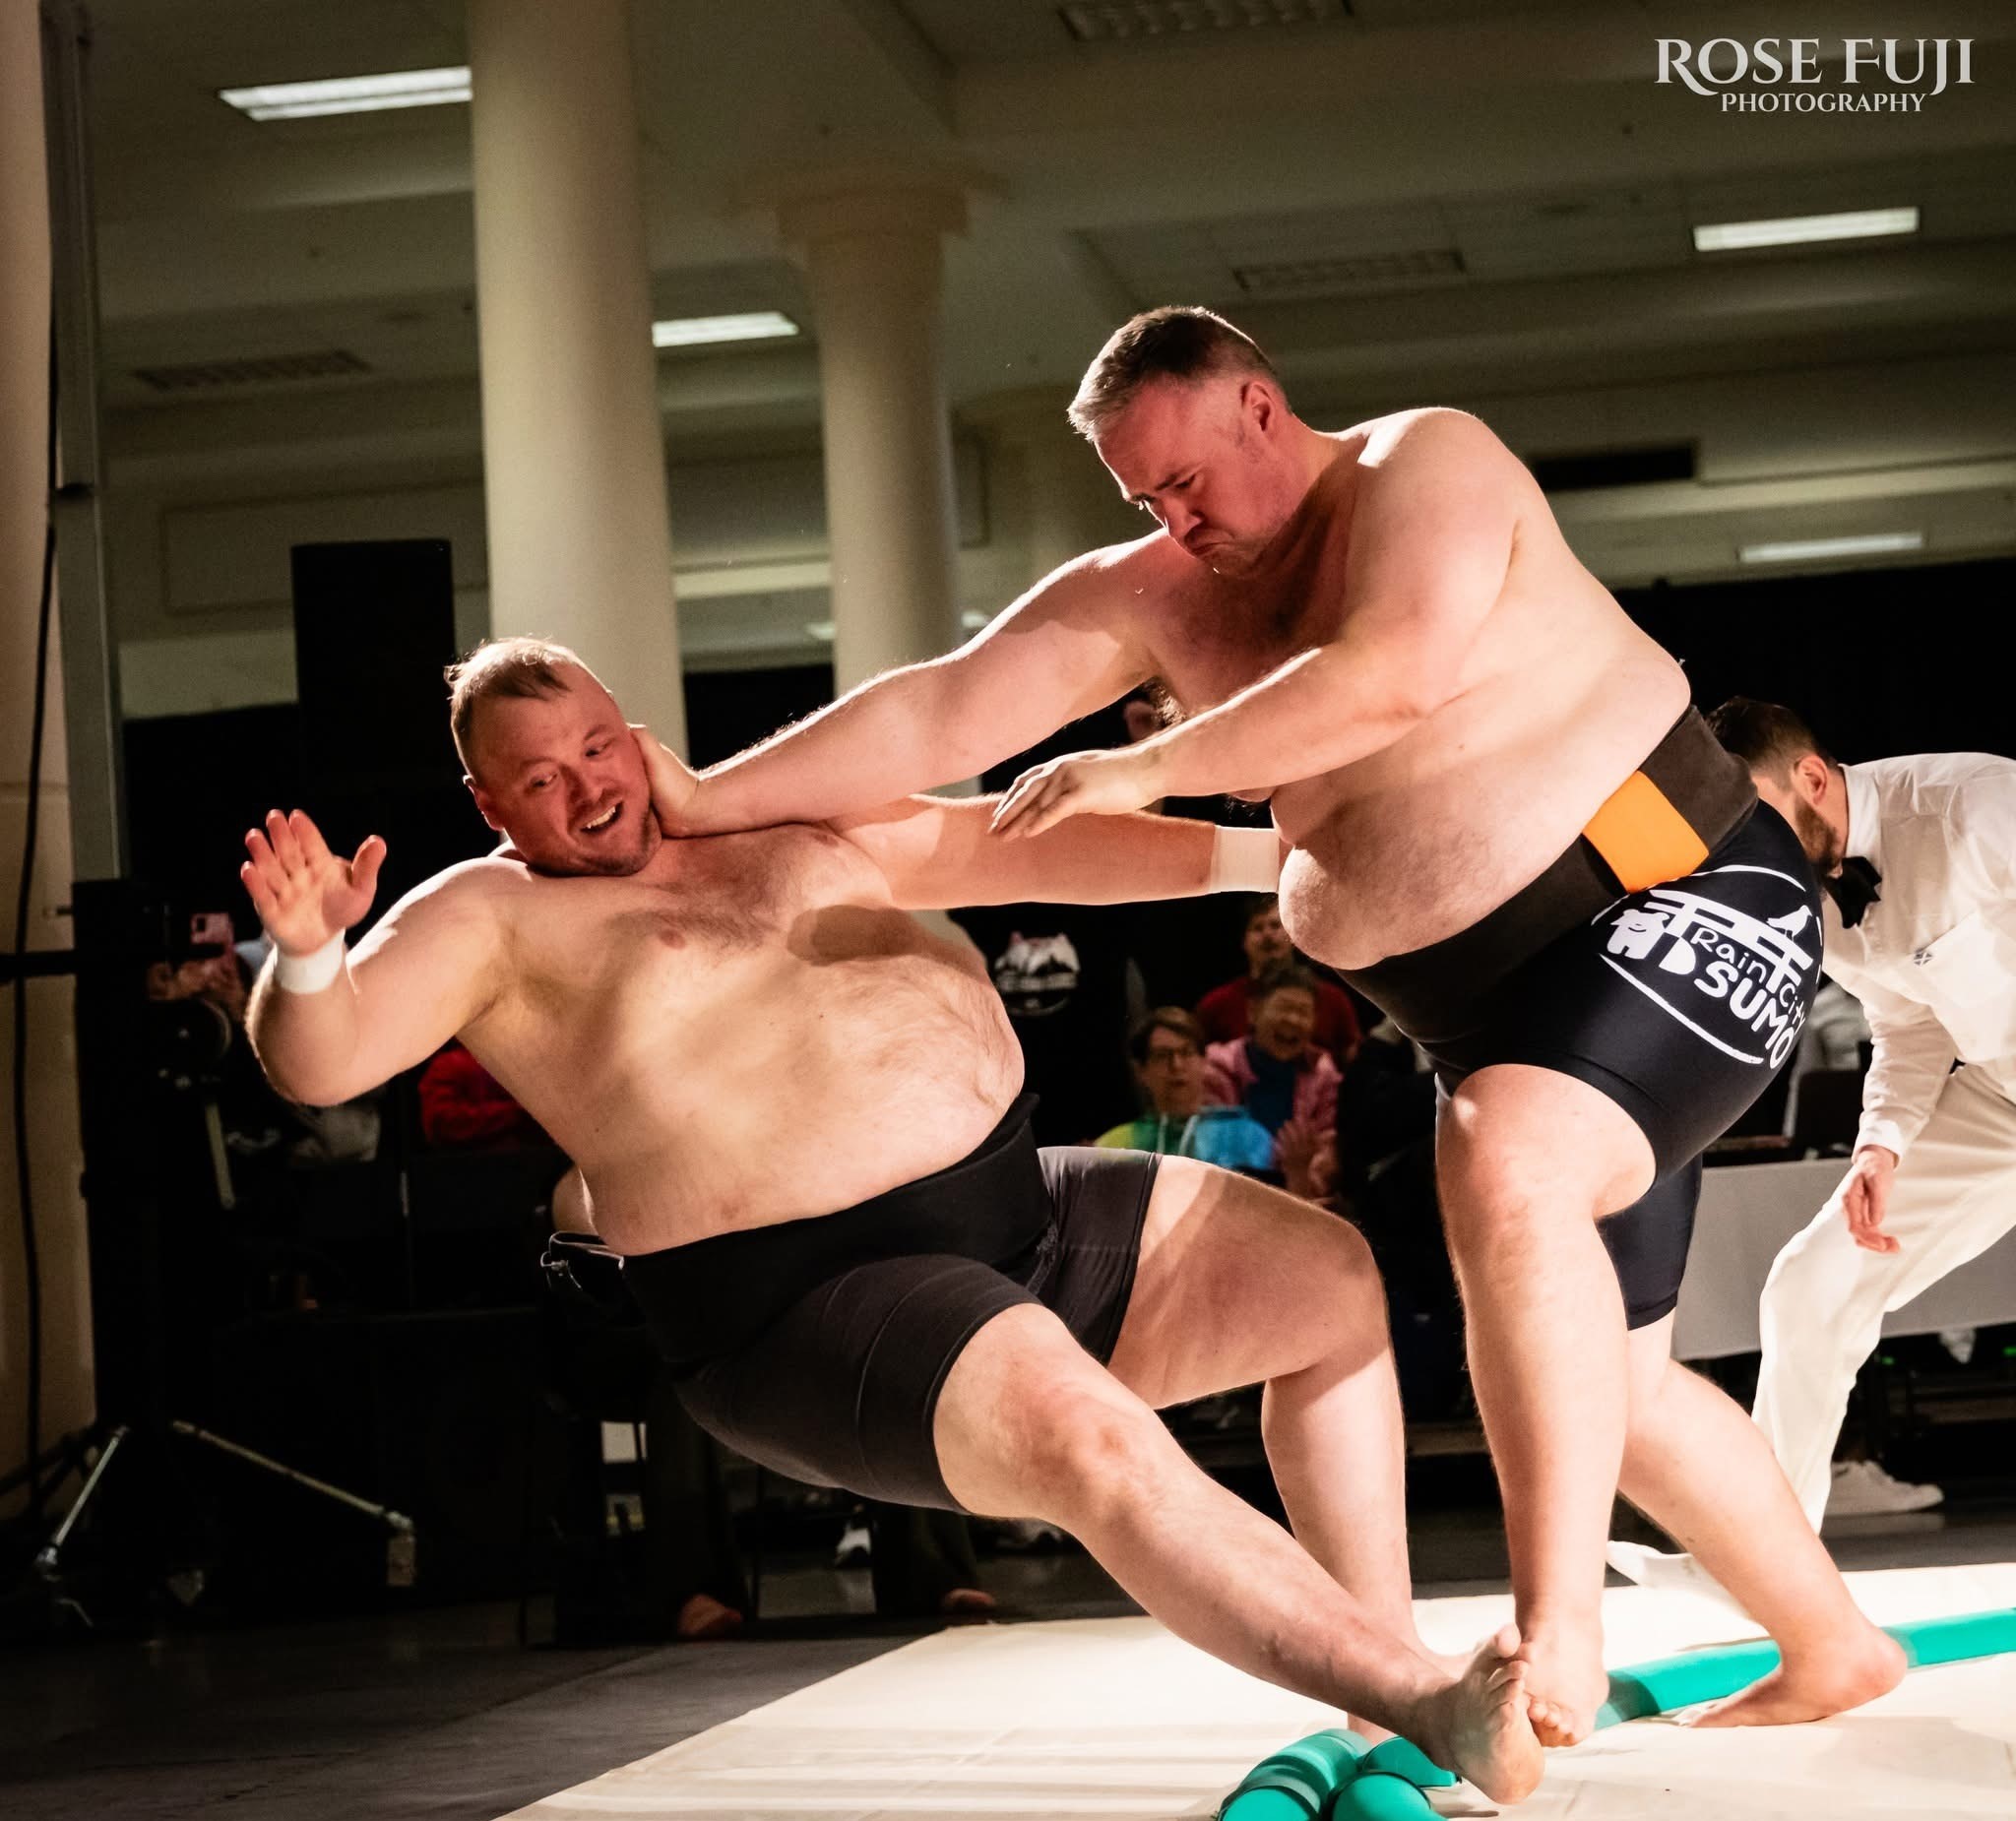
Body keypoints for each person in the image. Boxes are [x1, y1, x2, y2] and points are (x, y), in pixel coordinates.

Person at [653, 307, 1902, 1743]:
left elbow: (1392, 673)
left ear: (1260, 404)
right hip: (1491, 1009)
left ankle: (1554, 1632)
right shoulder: (1156, 591)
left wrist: (1152, 769)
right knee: (1606, 1371)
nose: (1179, 524)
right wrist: (703, 799)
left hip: (1669, 883)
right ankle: (1832, 1642)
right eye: (1144, 502)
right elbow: (937, 713)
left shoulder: (1427, 465)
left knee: (1510, 1172)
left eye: (1187, 481)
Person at [240, 637, 1540, 1800]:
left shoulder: (773, 820)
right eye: (542, 780)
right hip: (803, 1299)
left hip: (1007, 1210)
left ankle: (1378, 1694)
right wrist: (306, 957)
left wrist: (1286, 856)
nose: (590, 785)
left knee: (1325, 1284)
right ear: (488, 805)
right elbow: (324, 1058)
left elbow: (1012, 841)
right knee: (1094, 1438)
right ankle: (1416, 1691)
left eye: (598, 744)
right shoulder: (487, 917)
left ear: (633, 728)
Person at [1714, 704, 2013, 1535]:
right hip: (2001, 1101)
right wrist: (1880, 1145)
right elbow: (1910, 1026)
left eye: (1753, 815)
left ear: (1812, 777)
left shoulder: (1973, 806)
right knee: (1810, 1284)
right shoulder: (1813, 890)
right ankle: (1765, 1561)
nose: (1746, 846)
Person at [1096, 1007, 1275, 1171]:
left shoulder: (1247, 1136)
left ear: (1204, 1062)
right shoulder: (1114, 1145)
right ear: (1141, 1071)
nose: (1176, 1065)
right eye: (1162, 1056)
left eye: (1186, 1053)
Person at [1195, 896, 1361, 1066]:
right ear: (1244, 942)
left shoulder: (1334, 999)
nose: (1267, 934)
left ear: (1293, 936)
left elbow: (1352, 1062)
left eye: (1275, 925)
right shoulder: (1216, 1004)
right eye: (1257, 928)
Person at [1202, 965, 1342, 1155]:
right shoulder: (1218, 1067)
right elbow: (1213, 1149)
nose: (1293, 1019)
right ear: (1253, 1011)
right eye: (1284, 1007)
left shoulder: (1323, 1073)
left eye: (1303, 1011)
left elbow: (1325, 1152)